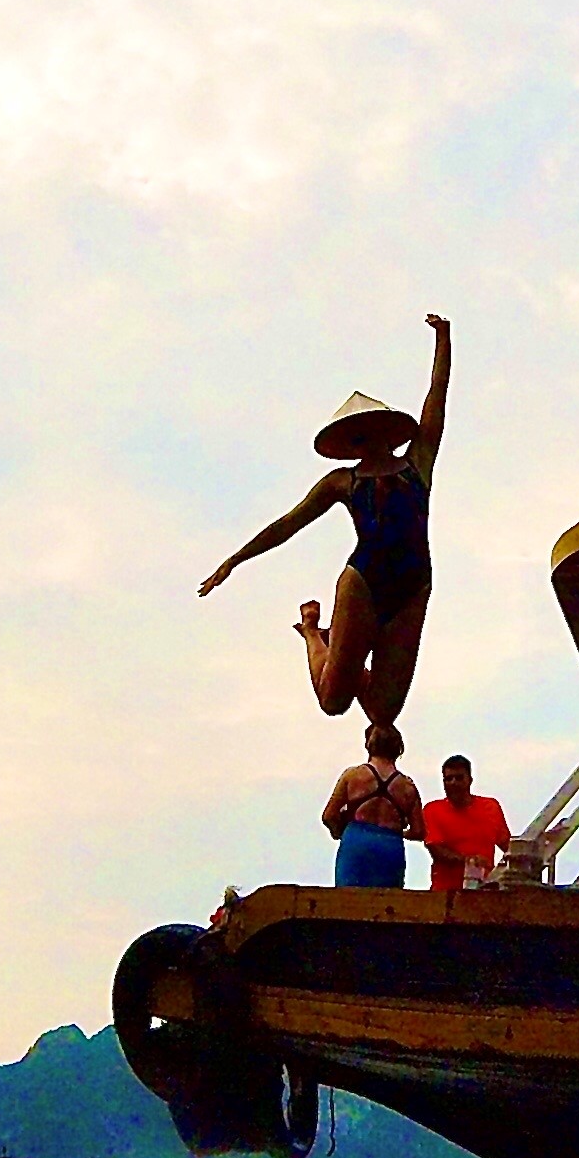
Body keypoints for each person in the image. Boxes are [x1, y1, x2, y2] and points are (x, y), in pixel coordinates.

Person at [201, 315, 451, 721]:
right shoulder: (343, 482)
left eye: (374, 430)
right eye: (359, 435)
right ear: (352, 443)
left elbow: (436, 396)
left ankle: (346, 651)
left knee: (383, 713)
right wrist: (234, 560)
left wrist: (444, 337)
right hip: (364, 581)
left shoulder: (416, 464)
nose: (368, 439)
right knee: (333, 703)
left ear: (390, 432)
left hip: (414, 581)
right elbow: (288, 524)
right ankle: (315, 635)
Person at [322, 722, 422, 889]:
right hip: (390, 846)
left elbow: (328, 815)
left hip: (356, 841)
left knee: (347, 902)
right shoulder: (407, 787)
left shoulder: (352, 776)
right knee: (386, 904)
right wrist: (399, 832)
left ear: (369, 745)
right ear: (398, 749)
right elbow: (419, 831)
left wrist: (339, 831)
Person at [421, 754, 513, 897]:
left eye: (459, 778)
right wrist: (469, 861)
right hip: (445, 896)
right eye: (448, 779)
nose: (453, 783)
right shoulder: (432, 810)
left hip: (486, 893)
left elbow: (508, 846)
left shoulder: (491, 807)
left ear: (469, 780)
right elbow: (437, 851)